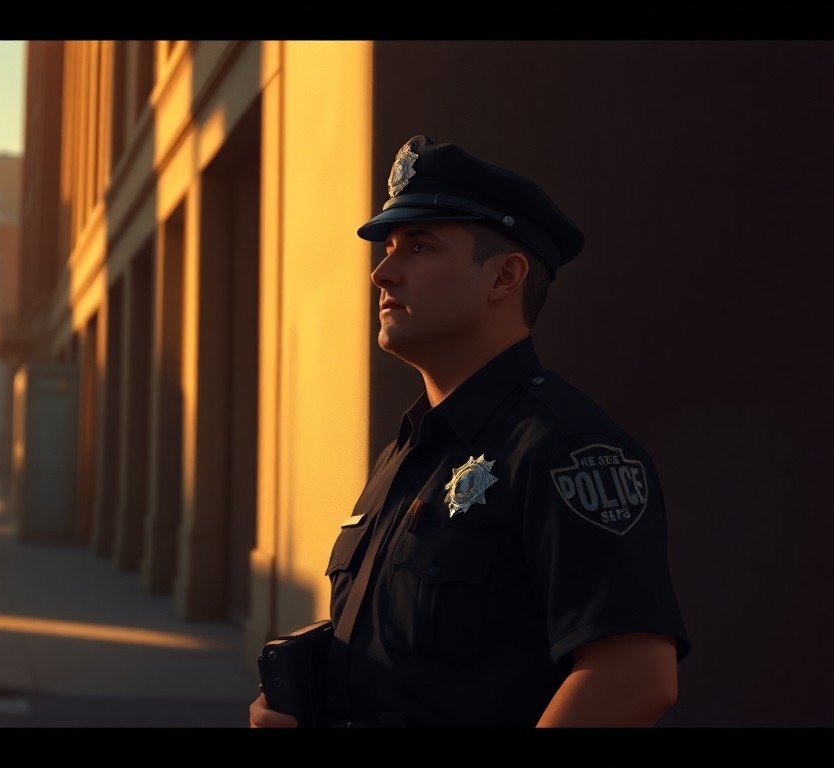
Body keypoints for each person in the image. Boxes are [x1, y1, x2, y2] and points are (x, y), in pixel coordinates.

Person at [249, 135, 690, 728]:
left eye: (419, 248)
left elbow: (633, 677)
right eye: (387, 250)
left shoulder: (568, 451)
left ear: (504, 277)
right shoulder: (410, 449)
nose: (382, 273)